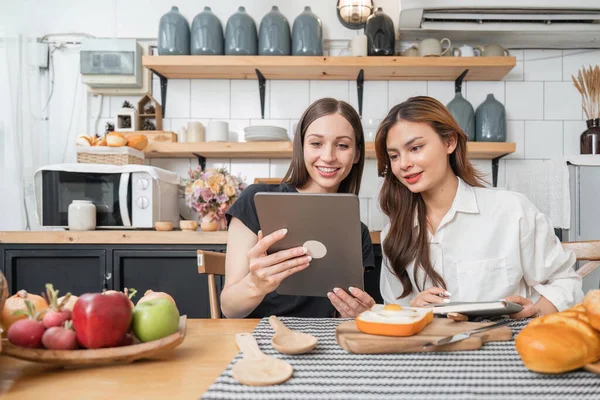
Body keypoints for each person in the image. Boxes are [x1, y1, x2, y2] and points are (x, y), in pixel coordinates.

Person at [375, 96, 583, 319]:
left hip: (506, 346)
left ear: (449, 142)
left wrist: (536, 310)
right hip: (430, 350)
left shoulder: (511, 210)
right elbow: (394, 312)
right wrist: (412, 310)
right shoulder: (394, 233)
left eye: (415, 148)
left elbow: (567, 283)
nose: (404, 164)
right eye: (394, 156)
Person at [221, 98, 376, 319]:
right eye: (316, 143)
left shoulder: (357, 231)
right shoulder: (257, 200)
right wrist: (255, 285)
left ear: (357, 154)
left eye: (342, 145)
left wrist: (356, 313)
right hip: (258, 341)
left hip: (321, 345)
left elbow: (342, 319)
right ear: (301, 147)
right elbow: (229, 309)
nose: (329, 156)